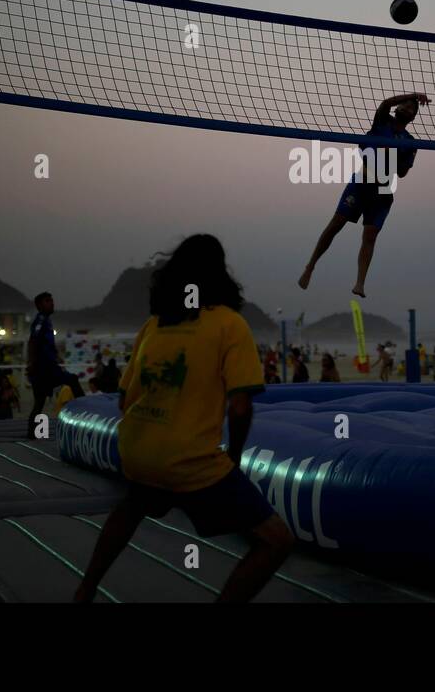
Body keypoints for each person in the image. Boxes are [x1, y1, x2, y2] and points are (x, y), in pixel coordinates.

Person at [74, 234, 294, 602]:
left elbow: (124, 400)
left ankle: (85, 589)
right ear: (221, 274)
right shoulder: (229, 325)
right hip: (189, 461)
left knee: (133, 506)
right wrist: (234, 458)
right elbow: (240, 407)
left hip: (137, 452)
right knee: (276, 541)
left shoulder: (155, 325)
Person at [298, 92, 430, 297]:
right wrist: (413, 95)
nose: (407, 107)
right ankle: (310, 266)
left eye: (411, 107)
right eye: (404, 104)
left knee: (370, 236)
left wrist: (391, 153)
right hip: (362, 181)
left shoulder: (410, 142)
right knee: (336, 224)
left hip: (384, 188)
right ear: (397, 109)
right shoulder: (382, 121)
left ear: (413, 117)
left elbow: (403, 173)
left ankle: (360, 283)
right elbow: (385, 103)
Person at [26, 291, 85, 438]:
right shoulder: (40, 320)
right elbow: (33, 341)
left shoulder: (46, 320)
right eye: (47, 301)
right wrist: (32, 363)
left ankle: (33, 434)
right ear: (39, 305)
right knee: (72, 380)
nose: (52, 303)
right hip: (44, 368)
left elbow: (44, 344)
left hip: (47, 366)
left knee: (39, 402)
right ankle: (85, 411)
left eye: (52, 300)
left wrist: (56, 355)